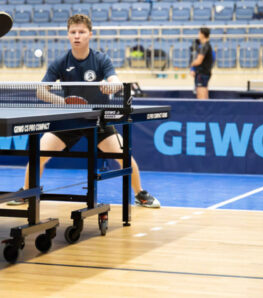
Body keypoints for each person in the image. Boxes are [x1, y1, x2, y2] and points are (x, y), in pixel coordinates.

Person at [8, 14, 160, 208]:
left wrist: (111, 86)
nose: (77, 36)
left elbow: (116, 81)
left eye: (81, 32)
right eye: (73, 32)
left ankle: (140, 194)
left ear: (90, 34)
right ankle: (28, 191)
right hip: (70, 119)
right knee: (38, 154)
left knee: (123, 156)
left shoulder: (101, 59)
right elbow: (41, 91)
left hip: (98, 120)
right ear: (68, 35)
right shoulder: (60, 62)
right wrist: (63, 102)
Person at [189, 27, 213, 100]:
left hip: (202, 74)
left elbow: (198, 61)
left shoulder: (204, 46)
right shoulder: (207, 45)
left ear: (202, 34)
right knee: (205, 96)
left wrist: (191, 64)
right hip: (205, 73)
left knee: (201, 97)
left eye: (199, 33)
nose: (198, 35)